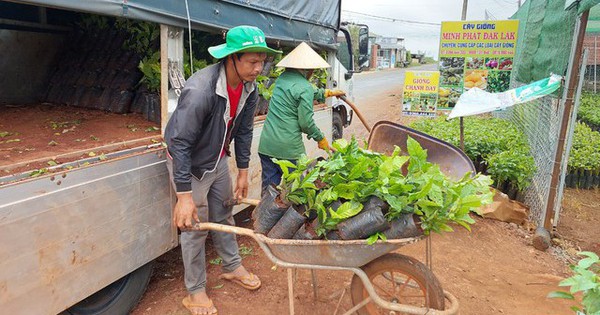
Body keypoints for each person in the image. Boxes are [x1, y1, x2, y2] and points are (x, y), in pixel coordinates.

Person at [164, 25, 281, 315]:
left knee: (225, 211)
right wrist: (184, 195)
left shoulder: (249, 88)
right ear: (232, 59)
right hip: (188, 163)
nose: (258, 68)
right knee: (194, 226)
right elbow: (179, 143)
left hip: (216, 159)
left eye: (262, 61)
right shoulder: (201, 90)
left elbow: (243, 132)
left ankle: (231, 266)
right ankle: (195, 291)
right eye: (252, 62)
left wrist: (242, 170)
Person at [258, 42, 345, 192]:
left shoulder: (282, 79)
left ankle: (264, 214)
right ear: (308, 70)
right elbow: (305, 123)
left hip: (267, 145)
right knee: (297, 192)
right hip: (289, 149)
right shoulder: (305, 87)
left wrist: (326, 93)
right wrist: (320, 139)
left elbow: (297, 92)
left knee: (269, 192)